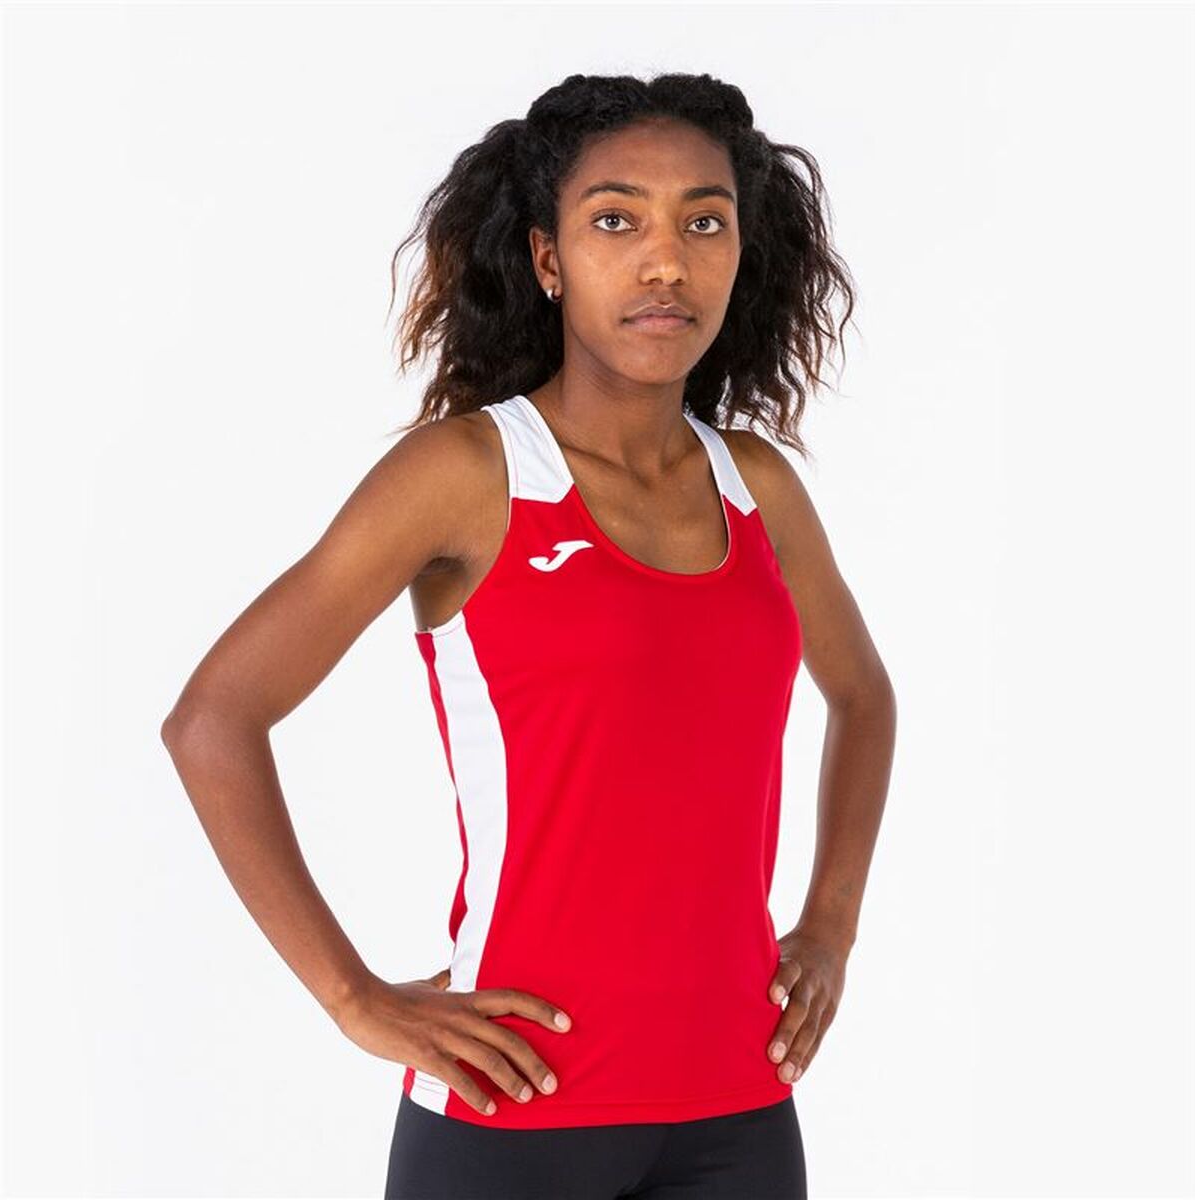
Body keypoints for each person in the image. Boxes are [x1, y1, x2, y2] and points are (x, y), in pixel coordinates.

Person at [161, 70, 896, 1200]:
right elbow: (214, 718)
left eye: (704, 223)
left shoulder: (757, 486)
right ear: (550, 259)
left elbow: (863, 695)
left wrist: (830, 926)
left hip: (738, 1105)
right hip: (512, 1109)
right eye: (617, 222)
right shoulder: (469, 475)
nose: (666, 262)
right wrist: (354, 998)